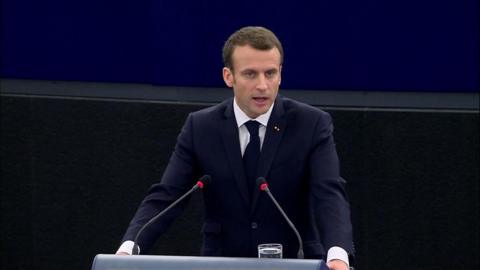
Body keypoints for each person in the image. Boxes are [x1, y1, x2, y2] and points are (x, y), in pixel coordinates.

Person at [116, 26, 354, 270]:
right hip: (221, 262)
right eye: (250, 74)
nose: (263, 85)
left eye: (270, 73)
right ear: (229, 76)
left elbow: (329, 194)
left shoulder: (311, 124)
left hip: (294, 259)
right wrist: (128, 249)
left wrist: (337, 254)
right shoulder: (201, 127)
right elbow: (166, 196)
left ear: (280, 74)